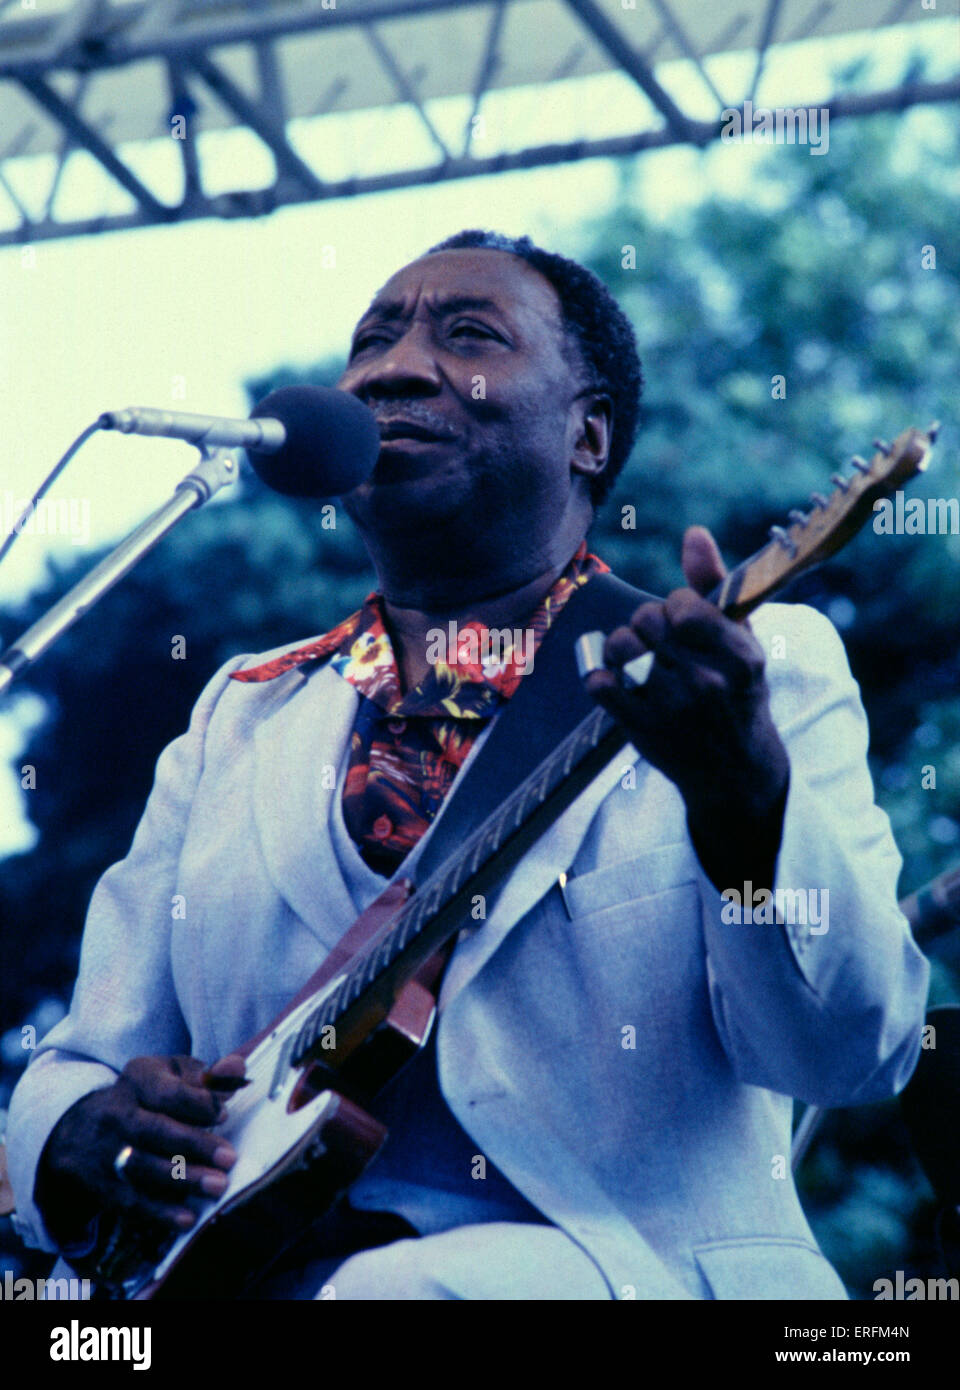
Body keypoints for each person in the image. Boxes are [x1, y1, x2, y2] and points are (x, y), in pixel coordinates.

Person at [6, 230, 929, 1300]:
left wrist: (742, 794)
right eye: (373, 341)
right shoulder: (241, 714)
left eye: (470, 335)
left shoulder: (759, 668)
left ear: (588, 434)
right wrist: (79, 1133)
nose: (392, 366)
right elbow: (82, 1058)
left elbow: (853, 1050)